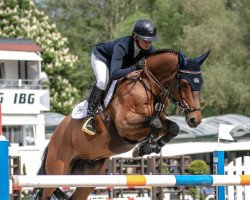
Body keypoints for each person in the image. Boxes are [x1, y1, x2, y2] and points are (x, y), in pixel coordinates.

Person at [82, 19, 160, 136]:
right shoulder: (122, 46)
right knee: (103, 81)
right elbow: (114, 74)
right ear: (135, 37)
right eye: (146, 40)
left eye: (151, 40)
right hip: (102, 57)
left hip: (119, 63)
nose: (149, 43)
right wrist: (133, 69)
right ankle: (89, 116)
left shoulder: (149, 50)